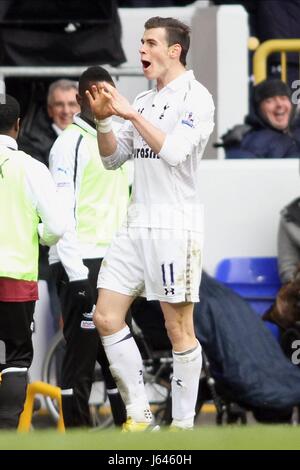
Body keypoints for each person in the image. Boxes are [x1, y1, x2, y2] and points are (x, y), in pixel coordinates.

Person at [87, 16, 215, 431]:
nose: (141, 49)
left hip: (174, 226)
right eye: (140, 42)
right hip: (136, 222)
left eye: (149, 42)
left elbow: (175, 152)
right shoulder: (142, 101)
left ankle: (182, 427)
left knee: (178, 327)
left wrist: (128, 113)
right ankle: (140, 415)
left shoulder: (196, 98)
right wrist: (106, 119)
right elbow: (111, 159)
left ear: (173, 50)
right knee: (106, 316)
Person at [49, 66, 129, 428]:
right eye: (101, 94)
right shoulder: (68, 144)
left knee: (117, 360)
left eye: (111, 93)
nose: (108, 101)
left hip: (116, 263)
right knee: (80, 362)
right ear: (85, 98)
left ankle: (129, 434)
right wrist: (77, 274)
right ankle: (78, 438)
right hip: (80, 262)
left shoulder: (120, 140)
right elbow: (60, 214)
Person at [0, 94, 66, 429]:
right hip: (15, 277)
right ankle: (7, 432)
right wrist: (36, 232)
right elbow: (56, 227)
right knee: (16, 358)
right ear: (19, 126)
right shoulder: (31, 168)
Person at [219, 79, 300, 158]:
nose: (279, 104)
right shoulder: (249, 144)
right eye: (270, 100)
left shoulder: (295, 133)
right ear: (258, 109)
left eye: (283, 98)